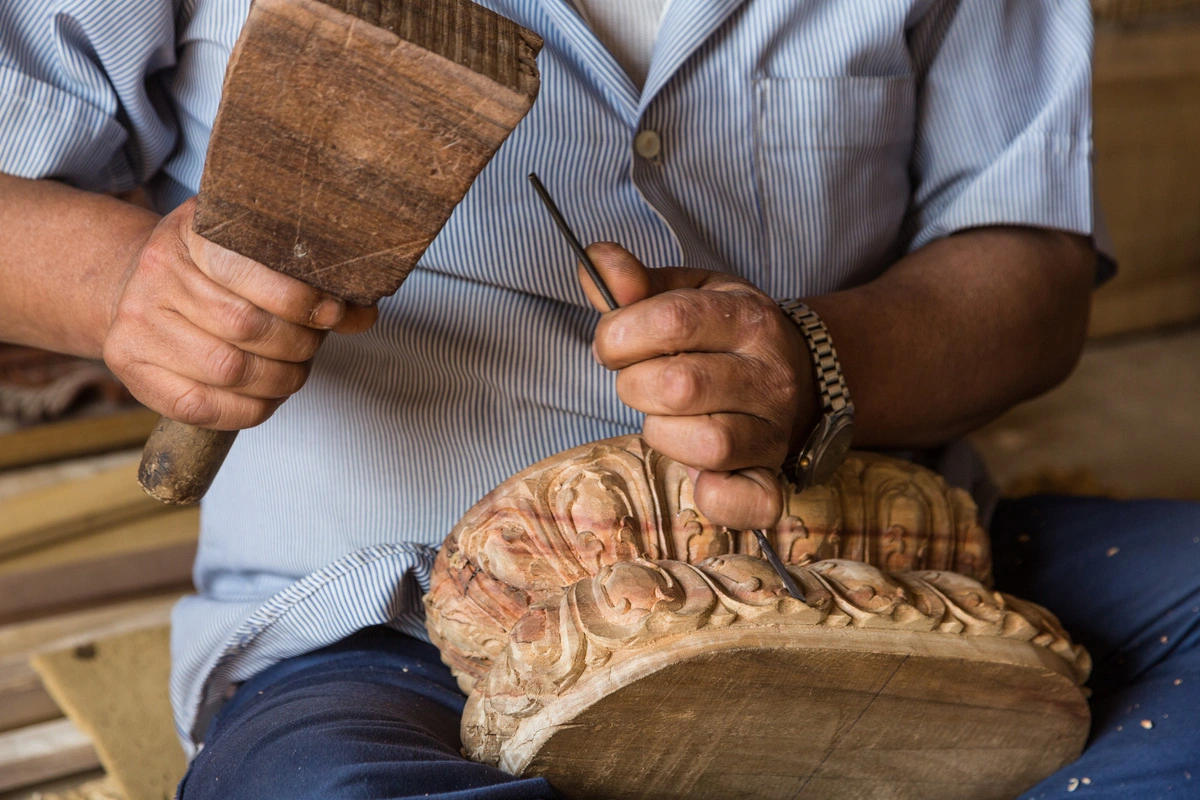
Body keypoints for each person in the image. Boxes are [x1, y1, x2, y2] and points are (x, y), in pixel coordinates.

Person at [1, 0, 1195, 797]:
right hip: (394, 635)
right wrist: (124, 286)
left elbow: (1030, 266)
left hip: (878, 582)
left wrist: (821, 359)